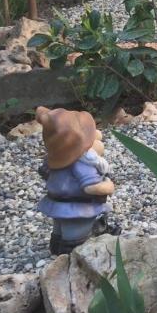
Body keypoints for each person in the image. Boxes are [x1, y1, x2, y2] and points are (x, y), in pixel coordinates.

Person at [35, 106, 118, 255]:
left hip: (57, 204)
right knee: (75, 235)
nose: (97, 136)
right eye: (90, 137)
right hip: (78, 208)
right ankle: (71, 255)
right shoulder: (82, 164)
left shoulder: (54, 159)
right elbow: (90, 187)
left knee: (59, 229)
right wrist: (108, 186)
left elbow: (46, 174)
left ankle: (56, 247)